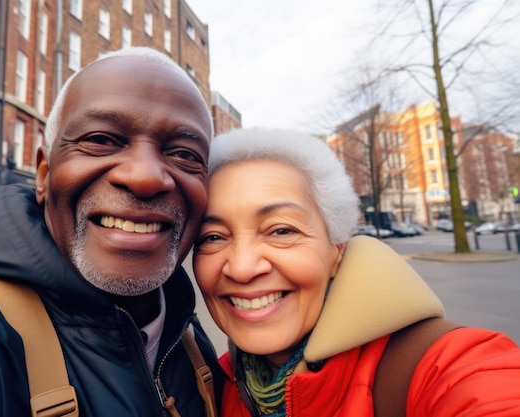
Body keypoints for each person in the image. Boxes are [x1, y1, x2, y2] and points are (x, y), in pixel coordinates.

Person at [0, 47, 221, 417]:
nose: (145, 176)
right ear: (45, 176)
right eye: (100, 139)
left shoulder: (192, 338)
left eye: (185, 154)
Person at [192, 127, 520, 417]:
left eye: (281, 231)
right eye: (213, 237)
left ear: (337, 250)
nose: (243, 267)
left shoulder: (447, 365)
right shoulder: (213, 382)